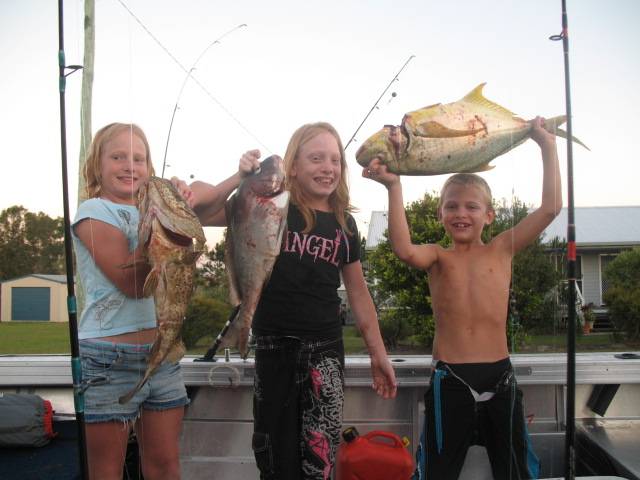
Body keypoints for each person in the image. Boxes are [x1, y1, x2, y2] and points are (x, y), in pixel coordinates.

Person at [192, 122, 398, 480]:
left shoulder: (345, 224)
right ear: (293, 166)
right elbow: (198, 211)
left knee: (320, 459)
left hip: (325, 352)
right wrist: (240, 178)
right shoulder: (268, 205)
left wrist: (378, 354)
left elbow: (359, 293)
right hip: (274, 349)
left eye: (335, 160)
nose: (327, 167)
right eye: (316, 158)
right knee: (275, 460)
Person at [362, 116, 561, 480]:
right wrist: (393, 185)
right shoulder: (438, 257)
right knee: (437, 473)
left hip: (500, 377)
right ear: (440, 214)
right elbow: (404, 249)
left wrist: (546, 145)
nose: (460, 213)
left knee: (515, 471)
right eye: (451, 206)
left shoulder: (503, 248)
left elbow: (550, 208)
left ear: (490, 215)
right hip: (450, 379)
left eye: (471, 207)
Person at [72, 122, 233, 480]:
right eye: (118, 157)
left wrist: (240, 175)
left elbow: (219, 205)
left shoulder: (160, 207)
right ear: (97, 165)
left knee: (165, 466)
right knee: (106, 471)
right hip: (108, 358)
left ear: (149, 167)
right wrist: (165, 224)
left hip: (163, 355)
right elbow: (131, 283)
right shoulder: (93, 212)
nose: (129, 166)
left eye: (139, 159)